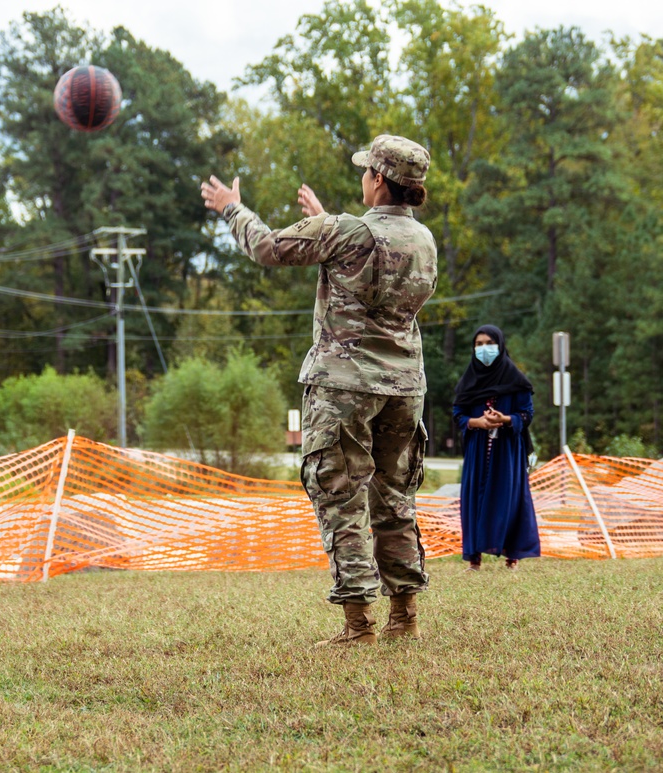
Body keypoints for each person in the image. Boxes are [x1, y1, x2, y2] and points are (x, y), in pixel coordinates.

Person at [201, 135, 437, 645]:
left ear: (377, 179)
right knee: (395, 499)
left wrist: (232, 207)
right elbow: (374, 261)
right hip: (404, 387)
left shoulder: (344, 232)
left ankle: (359, 625)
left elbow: (266, 247)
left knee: (340, 497)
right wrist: (329, 222)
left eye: (365, 172)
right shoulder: (423, 240)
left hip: (343, 388)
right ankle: (404, 617)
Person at [452, 324, 540, 571]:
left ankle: (512, 556)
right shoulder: (469, 381)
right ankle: (474, 559)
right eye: (478, 344)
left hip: (508, 449)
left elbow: (527, 413)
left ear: (500, 346)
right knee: (474, 501)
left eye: (489, 343)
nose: (484, 349)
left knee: (508, 499)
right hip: (477, 449)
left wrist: (505, 419)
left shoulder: (516, 379)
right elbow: (457, 413)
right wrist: (475, 422)